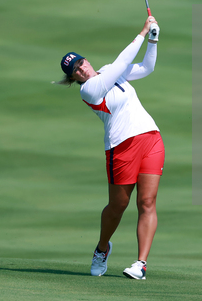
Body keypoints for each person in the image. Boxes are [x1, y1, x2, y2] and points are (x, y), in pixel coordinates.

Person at [56, 16, 164, 280]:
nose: (81, 69)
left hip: (150, 137)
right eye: (75, 72)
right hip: (121, 146)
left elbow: (146, 68)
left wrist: (153, 39)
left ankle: (140, 264)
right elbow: (122, 63)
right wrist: (142, 31)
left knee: (147, 202)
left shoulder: (106, 71)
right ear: (74, 79)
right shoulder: (90, 90)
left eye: (81, 63)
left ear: (86, 61)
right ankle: (102, 249)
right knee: (118, 206)